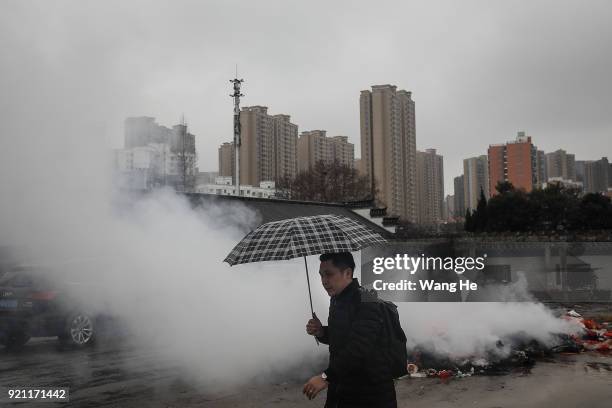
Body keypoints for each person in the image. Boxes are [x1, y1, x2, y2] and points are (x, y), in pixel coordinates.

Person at [303, 252, 397, 408]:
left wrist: (326, 377)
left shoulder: (367, 301)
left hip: (370, 393)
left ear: (347, 273)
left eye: (329, 274)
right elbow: (342, 337)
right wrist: (321, 332)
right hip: (344, 389)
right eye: (321, 275)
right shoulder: (337, 299)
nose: (324, 281)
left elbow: (358, 348)